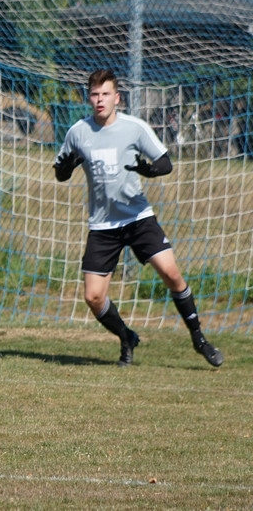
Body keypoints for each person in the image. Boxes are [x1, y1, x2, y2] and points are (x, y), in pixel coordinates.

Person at [53, 69, 224, 368]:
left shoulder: (134, 128)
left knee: (171, 274)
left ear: (117, 98)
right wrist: (64, 169)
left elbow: (165, 162)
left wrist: (151, 170)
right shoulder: (78, 132)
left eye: (106, 94)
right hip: (103, 225)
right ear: (88, 98)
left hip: (138, 218)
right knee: (93, 297)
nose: (100, 100)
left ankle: (199, 339)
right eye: (94, 94)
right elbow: (60, 172)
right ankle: (126, 337)